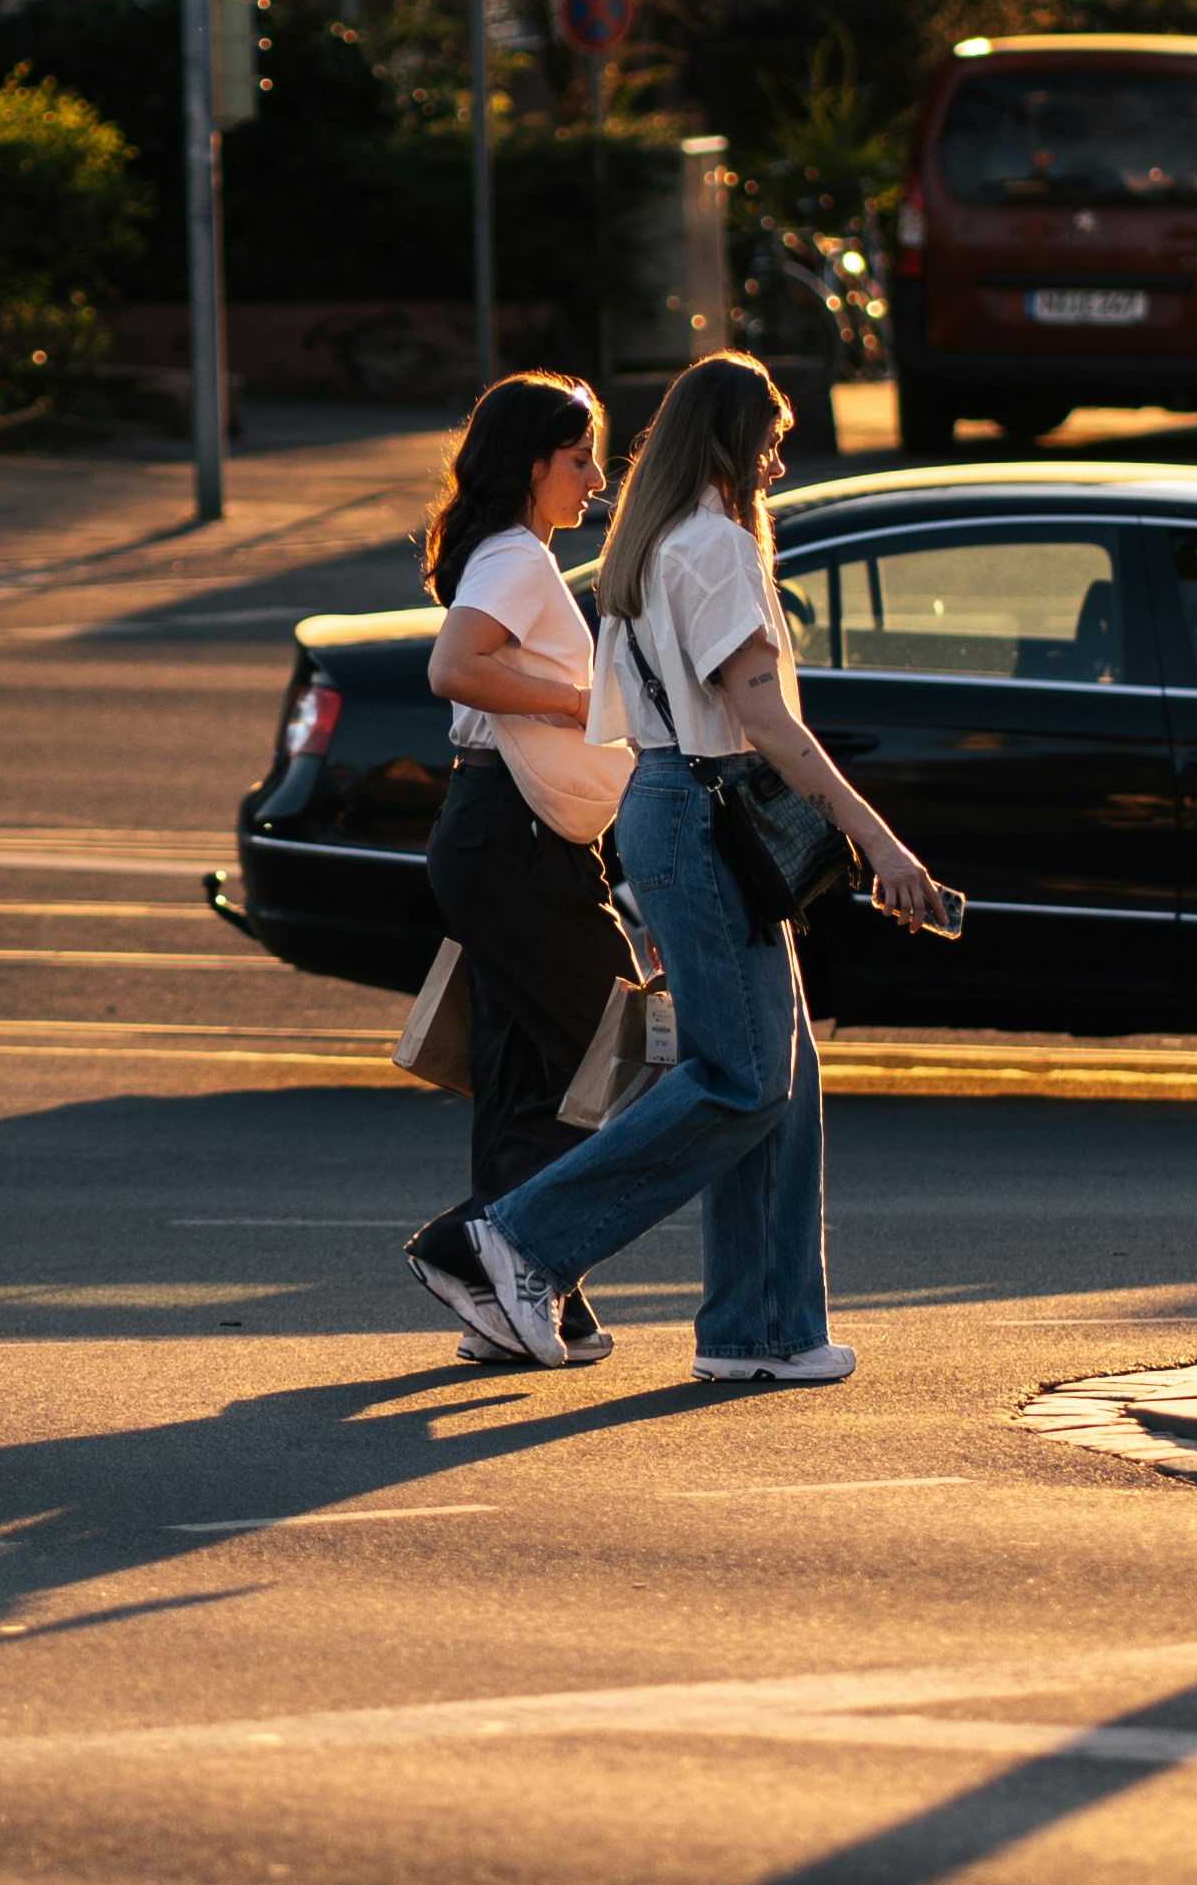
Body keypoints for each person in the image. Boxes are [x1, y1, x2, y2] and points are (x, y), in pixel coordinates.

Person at [460, 350, 938, 1385]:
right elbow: (761, 718)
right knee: (742, 1077)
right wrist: (880, 843)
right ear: (727, 441)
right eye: (768, 441)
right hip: (708, 810)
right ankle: (521, 1240)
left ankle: (763, 1331)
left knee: (780, 1079)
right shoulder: (716, 545)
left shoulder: (656, 538)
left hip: (677, 810)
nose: (776, 463)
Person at [402, 374, 640, 1369]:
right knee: (625, 1060)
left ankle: (533, 1301)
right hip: (517, 841)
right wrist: (572, 699)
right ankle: (482, 1248)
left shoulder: (512, 555)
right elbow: (454, 669)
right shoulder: (517, 559)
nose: (595, 478)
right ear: (531, 465)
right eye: (578, 459)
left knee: (529, 1074)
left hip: (494, 835)